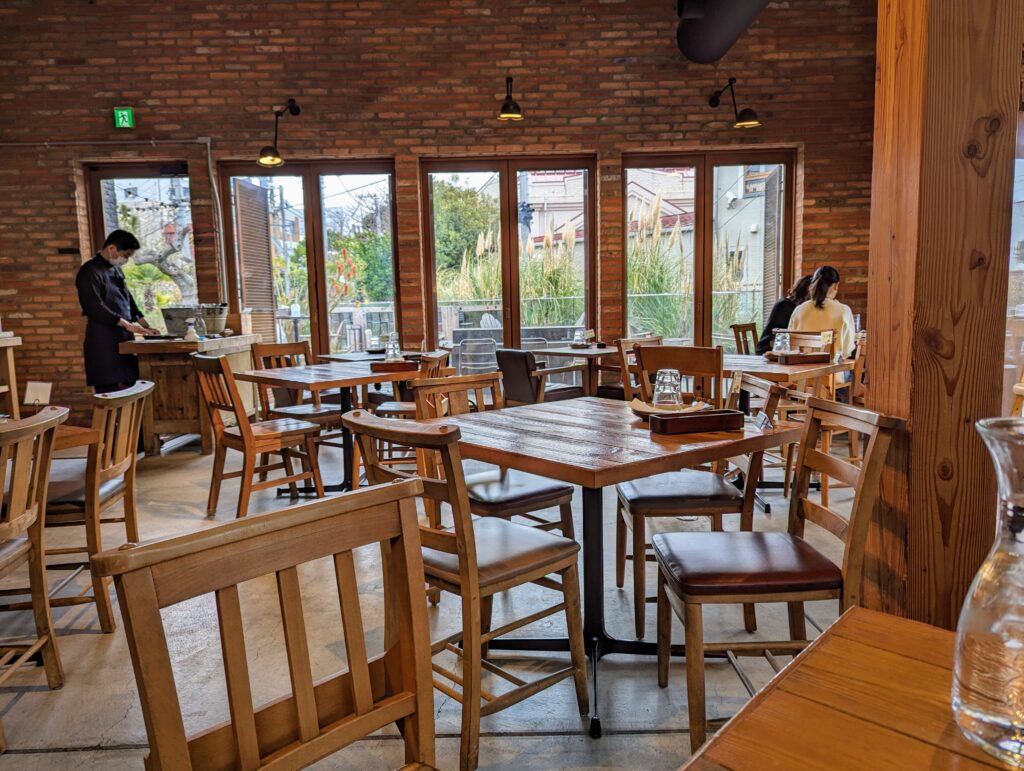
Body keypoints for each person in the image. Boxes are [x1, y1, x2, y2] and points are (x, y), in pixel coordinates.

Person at [75, 230, 157, 393]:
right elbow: (94, 307)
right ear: (112, 248)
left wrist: (144, 325)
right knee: (110, 390)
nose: (126, 260)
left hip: (124, 337)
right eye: (125, 255)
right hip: (102, 339)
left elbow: (127, 298)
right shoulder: (89, 271)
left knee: (130, 386)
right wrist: (127, 325)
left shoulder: (116, 269)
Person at [789, 265, 856, 358]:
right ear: (836, 285)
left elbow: (790, 343)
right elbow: (848, 349)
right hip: (832, 366)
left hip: (800, 365)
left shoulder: (799, 310)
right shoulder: (844, 310)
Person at [755, 274, 813, 354]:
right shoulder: (786, 306)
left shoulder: (788, 303)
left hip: (779, 349)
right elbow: (783, 335)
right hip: (769, 351)